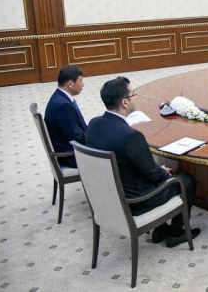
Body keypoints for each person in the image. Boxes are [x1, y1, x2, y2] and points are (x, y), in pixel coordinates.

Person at [85, 76, 200, 248]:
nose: (136, 97)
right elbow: (152, 174)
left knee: (153, 170)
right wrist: (163, 171)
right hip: (137, 200)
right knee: (186, 180)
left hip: (110, 195)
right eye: (133, 94)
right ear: (125, 102)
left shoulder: (94, 124)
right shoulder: (131, 137)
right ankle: (176, 233)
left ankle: (161, 229)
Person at [44, 65, 87, 168]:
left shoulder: (59, 97)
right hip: (71, 156)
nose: (83, 84)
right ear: (70, 84)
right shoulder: (63, 105)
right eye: (80, 81)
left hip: (68, 149)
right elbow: (77, 137)